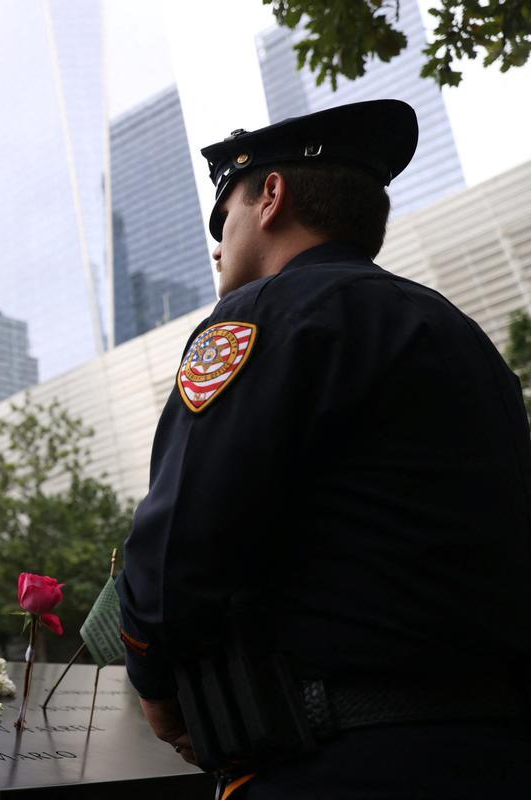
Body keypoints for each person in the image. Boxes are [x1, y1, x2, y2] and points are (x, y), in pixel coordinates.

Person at [115, 99, 531, 798]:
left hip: (337, 762)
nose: (217, 244)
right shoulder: (458, 333)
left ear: (271, 196)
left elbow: (181, 539)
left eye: (224, 219)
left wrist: (155, 684)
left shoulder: (259, 315)